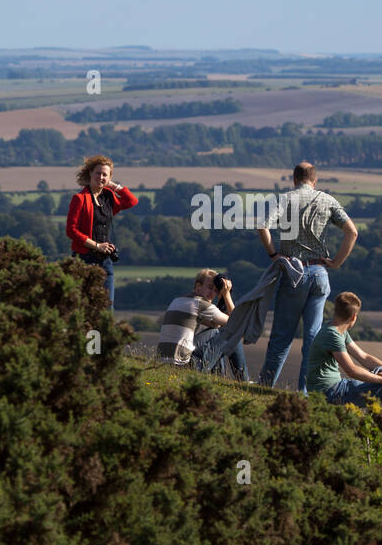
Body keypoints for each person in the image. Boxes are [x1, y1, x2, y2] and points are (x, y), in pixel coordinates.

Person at [255, 162, 358, 394]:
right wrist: (337, 262)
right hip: (320, 274)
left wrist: (274, 254)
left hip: (293, 274)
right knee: (312, 338)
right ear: (315, 180)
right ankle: (306, 393)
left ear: (294, 179)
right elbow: (352, 232)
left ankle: (264, 388)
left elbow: (262, 226)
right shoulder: (328, 200)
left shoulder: (284, 199)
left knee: (282, 336)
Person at [306, 291, 382, 407]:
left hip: (335, 388)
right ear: (353, 317)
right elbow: (351, 370)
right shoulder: (332, 335)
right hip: (330, 393)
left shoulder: (335, 329)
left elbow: (364, 357)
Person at [65, 155, 138, 307]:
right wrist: (97, 246)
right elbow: (71, 231)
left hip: (105, 261)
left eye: (105, 174)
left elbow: (131, 201)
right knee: (84, 306)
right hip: (83, 260)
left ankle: (104, 332)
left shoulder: (109, 197)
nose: (101, 177)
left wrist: (113, 186)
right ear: (90, 173)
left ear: (110, 177)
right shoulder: (80, 199)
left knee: (106, 307)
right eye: (98, 173)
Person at [156, 270, 249, 382]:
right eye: (210, 287)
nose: (212, 293)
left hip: (163, 363)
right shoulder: (201, 304)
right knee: (231, 333)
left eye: (215, 290)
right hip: (186, 366)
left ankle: (219, 378)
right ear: (198, 286)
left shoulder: (178, 300)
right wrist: (226, 294)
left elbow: (215, 325)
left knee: (217, 332)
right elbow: (236, 324)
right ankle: (243, 380)